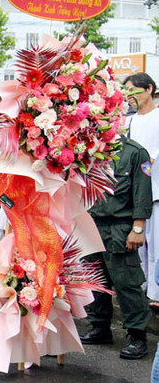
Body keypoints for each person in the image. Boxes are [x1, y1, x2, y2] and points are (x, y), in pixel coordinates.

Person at [82, 135, 153, 360]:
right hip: (92, 223)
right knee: (95, 279)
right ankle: (100, 327)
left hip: (120, 227)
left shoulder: (134, 152)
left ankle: (137, 335)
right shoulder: (89, 149)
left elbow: (142, 193)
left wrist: (138, 227)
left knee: (126, 282)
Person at [124, 73, 159, 309]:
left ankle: (155, 294)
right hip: (133, 192)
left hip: (155, 189)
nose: (129, 97)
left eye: (132, 91)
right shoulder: (129, 121)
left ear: (148, 89)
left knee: (155, 245)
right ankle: (142, 289)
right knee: (138, 246)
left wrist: (148, 163)